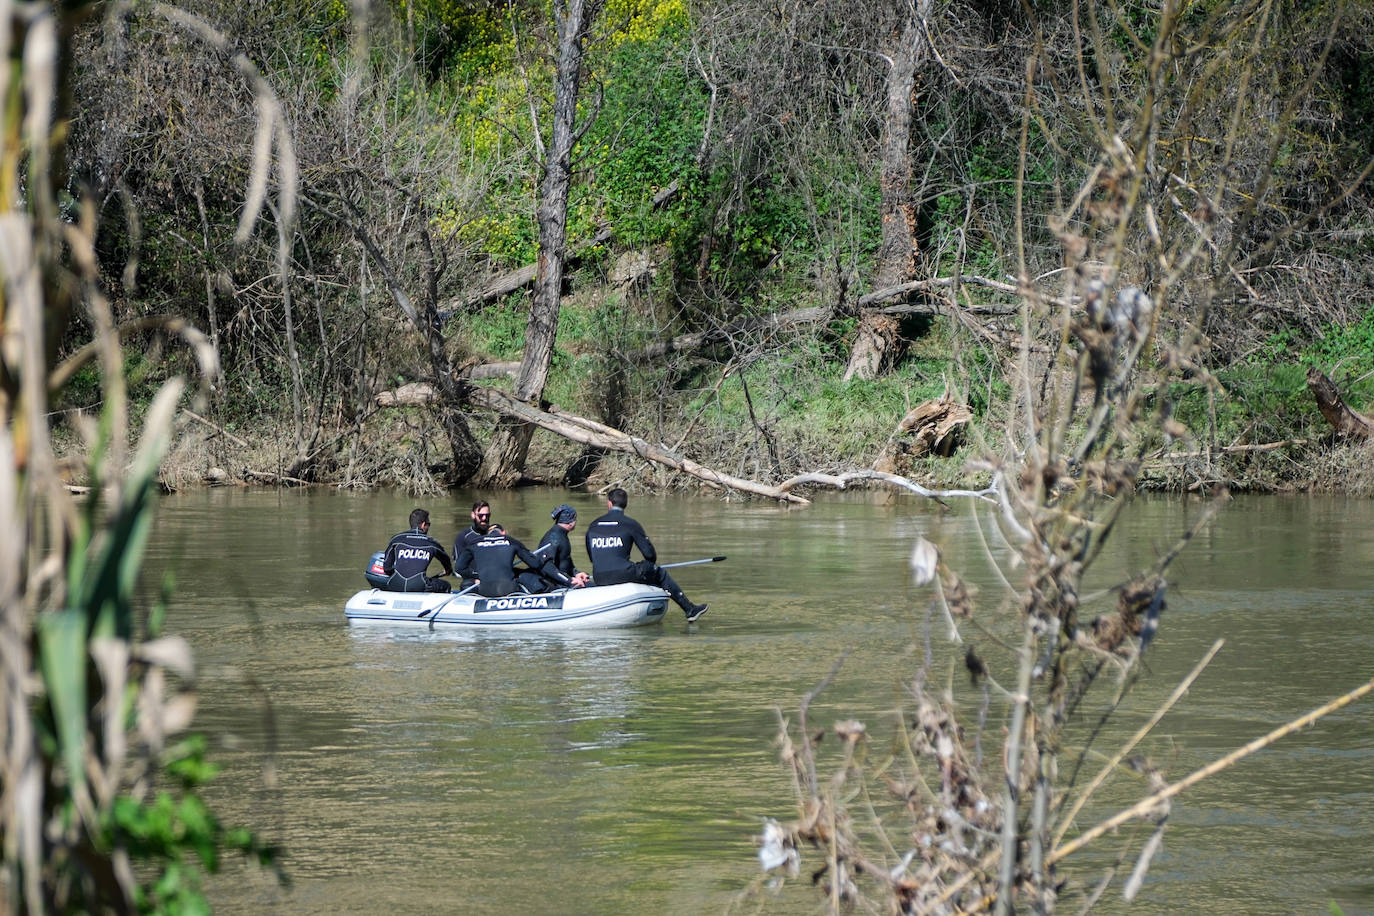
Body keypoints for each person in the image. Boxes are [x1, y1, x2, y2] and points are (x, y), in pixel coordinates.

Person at [585, 488, 708, 622]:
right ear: (626, 504)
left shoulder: (593, 525)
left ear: (609, 503)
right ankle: (690, 609)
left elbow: (592, 558)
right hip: (623, 573)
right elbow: (650, 555)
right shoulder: (631, 524)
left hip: (599, 576)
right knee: (658, 572)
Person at [453, 500, 581, 597]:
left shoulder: (475, 543)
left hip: (485, 585)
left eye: (488, 515)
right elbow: (536, 564)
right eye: (481, 516)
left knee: (518, 573)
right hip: (493, 584)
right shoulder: (510, 541)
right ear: (503, 532)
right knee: (527, 575)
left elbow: (459, 567)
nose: (485, 518)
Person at [382, 508, 453, 593]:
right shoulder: (432, 543)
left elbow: (386, 568)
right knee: (446, 585)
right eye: (428, 524)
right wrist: (448, 570)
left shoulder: (396, 539)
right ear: (423, 525)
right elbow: (446, 561)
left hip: (396, 584)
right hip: (419, 586)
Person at [537, 504, 592, 590]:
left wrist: (576, 573)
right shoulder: (554, 537)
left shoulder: (561, 535)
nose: (576, 522)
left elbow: (565, 560)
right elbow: (546, 566)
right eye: (575, 519)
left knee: (591, 584)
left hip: (564, 580)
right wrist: (569, 580)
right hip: (555, 584)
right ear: (570, 522)